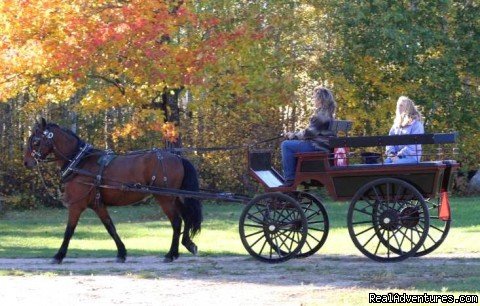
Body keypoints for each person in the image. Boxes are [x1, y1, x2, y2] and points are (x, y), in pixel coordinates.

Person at [281, 86, 336, 186]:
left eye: (314, 97)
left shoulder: (321, 115)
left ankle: (290, 179)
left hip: (317, 147)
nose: (313, 100)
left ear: (320, 100)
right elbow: (311, 131)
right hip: (322, 146)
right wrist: (296, 134)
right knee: (291, 144)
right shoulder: (328, 114)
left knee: (286, 145)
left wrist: (293, 135)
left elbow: (309, 133)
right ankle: (294, 175)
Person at [385, 96, 424, 164]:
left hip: (411, 157)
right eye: (398, 105)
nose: (398, 107)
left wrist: (398, 155)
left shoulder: (416, 125)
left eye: (401, 105)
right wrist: (391, 154)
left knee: (394, 164)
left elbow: (413, 146)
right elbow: (389, 142)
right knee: (384, 164)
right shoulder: (396, 125)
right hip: (395, 156)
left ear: (408, 108)